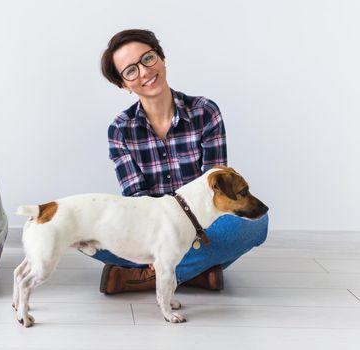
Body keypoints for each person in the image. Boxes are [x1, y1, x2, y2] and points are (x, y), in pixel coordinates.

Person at [89, 29, 269, 294]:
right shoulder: (120, 129)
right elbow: (136, 199)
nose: (144, 72)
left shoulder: (205, 111)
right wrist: (155, 245)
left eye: (148, 59)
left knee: (254, 224)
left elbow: (217, 186)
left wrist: (180, 240)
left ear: (161, 58)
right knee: (90, 230)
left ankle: (149, 277)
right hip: (148, 232)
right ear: (123, 84)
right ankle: (198, 272)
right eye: (131, 71)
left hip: (201, 226)